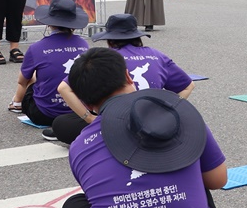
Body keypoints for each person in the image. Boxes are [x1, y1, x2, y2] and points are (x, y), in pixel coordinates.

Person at [60, 47, 226, 208]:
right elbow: (217, 180)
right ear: (128, 77)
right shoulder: (180, 114)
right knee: (196, 178)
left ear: (84, 102)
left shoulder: (79, 145)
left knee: (74, 205)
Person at [50, 13, 195, 145]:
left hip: (115, 122)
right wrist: (165, 111)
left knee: (61, 123)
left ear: (110, 40)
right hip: (150, 121)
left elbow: (63, 88)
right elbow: (188, 85)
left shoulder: (106, 58)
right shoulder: (157, 55)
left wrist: (89, 118)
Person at [8, 0, 91, 130]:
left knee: (32, 77)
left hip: (44, 114)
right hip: (79, 111)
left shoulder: (36, 48)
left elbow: (22, 81)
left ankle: (16, 104)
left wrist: (18, 100)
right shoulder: (83, 44)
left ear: (49, 23)